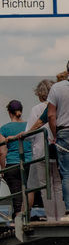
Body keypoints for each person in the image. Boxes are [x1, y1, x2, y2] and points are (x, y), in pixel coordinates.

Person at [23, 80, 53, 219]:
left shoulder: (36, 109)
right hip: (56, 151)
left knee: (32, 186)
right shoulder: (58, 106)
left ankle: (24, 215)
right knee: (57, 184)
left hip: (40, 152)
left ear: (40, 94)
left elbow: (29, 134)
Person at [46, 71, 69, 219]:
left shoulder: (57, 88)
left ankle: (68, 209)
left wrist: (55, 135)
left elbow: (50, 115)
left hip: (64, 132)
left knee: (66, 173)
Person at [0, 100, 26, 217]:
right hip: (30, 163)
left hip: (12, 165)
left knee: (17, 197)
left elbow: (2, 151)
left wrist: (3, 169)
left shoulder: (4, 129)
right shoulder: (28, 126)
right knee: (30, 192)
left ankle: (19, 219)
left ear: (9, 113)